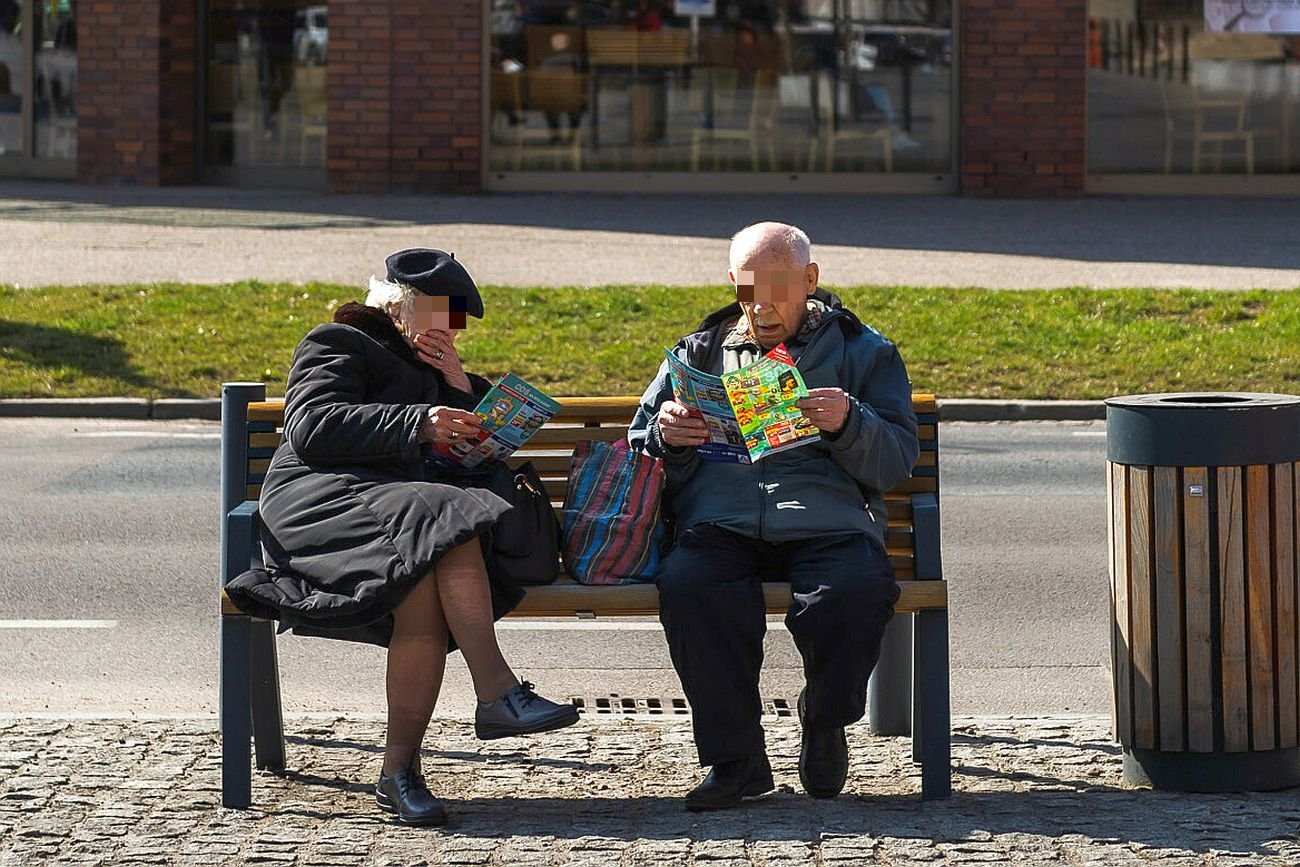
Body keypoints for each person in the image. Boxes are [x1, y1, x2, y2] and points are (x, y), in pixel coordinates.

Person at [226, 249, 578, 827]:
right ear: (398, 306)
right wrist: (418, 421)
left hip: (400, 518)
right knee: (446, 517)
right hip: (324, 500)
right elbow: (312, 428)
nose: (450, 329)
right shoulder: (339, 341)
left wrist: (461, 387)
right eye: (443, 313)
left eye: (457, 320)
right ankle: (496, 690)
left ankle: (398, 773)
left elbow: (470, 461)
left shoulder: (439, 372)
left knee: (423, 587)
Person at [628, 222, 919, 811]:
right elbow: (643, 447)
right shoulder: (700, 351)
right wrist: (670, 439)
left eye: (776, 288)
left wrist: (849, 422)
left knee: (855, 592)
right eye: (746, 291)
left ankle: (824, 717)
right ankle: (737, 761)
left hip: (828, 520)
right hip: (723, 521)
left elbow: (894, 462)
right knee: (691, 587)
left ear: (810, 280)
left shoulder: (864, 351)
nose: (760, 306)